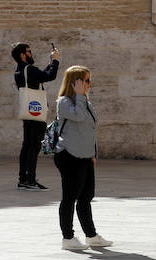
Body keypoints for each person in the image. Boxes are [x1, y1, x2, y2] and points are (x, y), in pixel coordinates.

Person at [53, 66, 112, 252]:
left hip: (85, 156)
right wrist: (79, 95)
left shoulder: (85, 101)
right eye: (86, 80)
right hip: (69, 156)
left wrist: (93, 155)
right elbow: (77, 117)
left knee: (86, 197)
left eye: (89, 80)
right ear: (75, 82)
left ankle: (91, 236)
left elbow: (91, 130)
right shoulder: (64, 102)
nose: (89, 84)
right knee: (69, 198)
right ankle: (68, 238)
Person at [12, 41, 60, 191]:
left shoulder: (21, 70)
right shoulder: (29, 69)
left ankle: (24, 178)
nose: (31, 53)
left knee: (27, 145)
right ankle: (30, 180)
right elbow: (50, 76)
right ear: (22, 54)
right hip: (36, 113)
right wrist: (56, 60)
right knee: (34, 146)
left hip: (28, 112)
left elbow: (41, 76)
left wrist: (51, 61)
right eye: (29, 51)